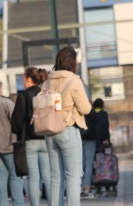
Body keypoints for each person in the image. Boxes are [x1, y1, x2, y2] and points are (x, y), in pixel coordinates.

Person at [46, 46, 92, 206]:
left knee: (55, 176)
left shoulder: (48, 80)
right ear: (73, 63)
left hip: (50, 131)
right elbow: (85, 108)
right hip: (67, 129)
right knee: (73, 176)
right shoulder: (73, 80)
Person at [11, 67, 52, 206]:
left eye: (23, 78)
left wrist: (17, 131)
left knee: (33, 178)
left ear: (29, 79)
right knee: (48, 177)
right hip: (46, 138)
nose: (23, 81)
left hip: (29, 140)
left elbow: (16, 121)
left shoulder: (23, 96)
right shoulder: (46, 93)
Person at [81, 98, 110, 198]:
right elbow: (104, 126)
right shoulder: (96, 113)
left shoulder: (81, 111)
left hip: (81, 138)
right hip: (93, 140)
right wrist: (106, 139)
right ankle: (87, 188)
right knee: (89, 164)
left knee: (82, 164)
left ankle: (80, 187)